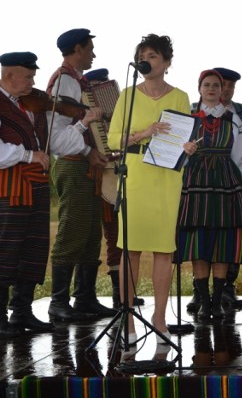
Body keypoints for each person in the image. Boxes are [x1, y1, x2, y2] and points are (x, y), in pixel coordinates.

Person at [0, 51, 99, 337]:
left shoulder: (35, 106)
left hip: (37, 184)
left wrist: (82, 123)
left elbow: (57, 144)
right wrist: (27, 154)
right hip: (8, 185)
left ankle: (22, 312)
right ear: (9, 75)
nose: (33, 82)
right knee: (7, 249)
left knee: (34, 248)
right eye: (28, 77)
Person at [107, 33, 196, 341]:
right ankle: (128, 321)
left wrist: (189, 147)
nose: (147, 60)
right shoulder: (128, 94)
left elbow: (183, 132)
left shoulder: (180, 96)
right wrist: (146, 131)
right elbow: (111, 139)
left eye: (153, 56)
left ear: (167, 63)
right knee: (130, 248)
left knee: (163, 249)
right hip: (135, 174)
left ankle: (160, 318)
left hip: (167, 176)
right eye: (143, 55)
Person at [46, 28, 115, 322]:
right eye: (89, 49)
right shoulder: (64, 81)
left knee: (89, 234)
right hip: (71, 165)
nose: (93, 55)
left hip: (83, 162)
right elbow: (57, 136)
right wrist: (87, 129)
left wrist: (91, 153)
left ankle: (84, 297)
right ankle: (59, 302)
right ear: (77, 49)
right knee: (72, 231)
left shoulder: (76, 81)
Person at [176, 69, 242, 321]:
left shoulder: (233, 119)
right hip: (196, 182)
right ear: (199, 89)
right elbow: (178, 154)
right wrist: (185, 152)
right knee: (199, 241)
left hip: (225, 182)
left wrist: (234, 181)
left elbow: (240, 155)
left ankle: (217, 301)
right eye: (206, 85)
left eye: (216, 86)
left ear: (222, 91)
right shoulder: (188, 118)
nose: (211, 89)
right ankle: (204, 302)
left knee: (222, 243)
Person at [82, 68, 144, 309]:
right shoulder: (83, 113)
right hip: (99, 176)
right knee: (97, 236)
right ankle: (87, 296)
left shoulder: (121, 110)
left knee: (118, 235)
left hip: (119, 173)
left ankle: (122, 294)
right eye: (97, 86)